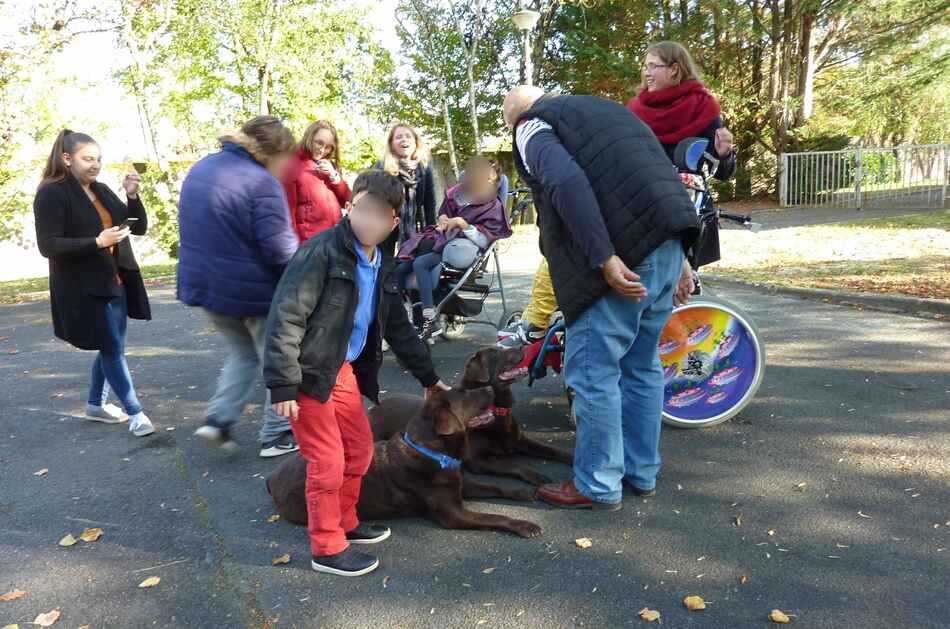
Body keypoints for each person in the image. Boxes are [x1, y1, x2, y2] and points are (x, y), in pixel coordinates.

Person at [502, 85, 699, 510]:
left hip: (621, 256)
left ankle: (597, 483)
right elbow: (660, 175)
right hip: (668, 242)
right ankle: (641, 472)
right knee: (642, 365)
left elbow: (564, 180)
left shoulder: (531, 125)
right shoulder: (610, 113)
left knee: (594, 373)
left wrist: (603, 257)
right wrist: (681, 253)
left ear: (514, 117)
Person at [263, 169, 450, 577]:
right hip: (309, 373)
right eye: (361, 209)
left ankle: (346, 521)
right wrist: (282, 384)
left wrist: (428, 376)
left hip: (342, 369)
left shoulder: (381, 259)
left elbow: (397, 324)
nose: (368, 220)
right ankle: (327, 546)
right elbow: (286, 316)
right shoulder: (321, 252)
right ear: (350, 207)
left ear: (393, 222)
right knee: (327, 460)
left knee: (360, 450)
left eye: (379, 214)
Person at [499, 40, 735, 349]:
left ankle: (537, 324)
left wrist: (725, 155)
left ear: (675, 69)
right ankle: (540, 319)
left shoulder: (703, 110)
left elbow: (567, 181)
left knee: (601, 360)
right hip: (654, 217)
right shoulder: (632, 110)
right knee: (642, 354)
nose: (647, 73)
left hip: (676, 207)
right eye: (645, 66)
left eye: (654, 66)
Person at [177, 116, 300, 458]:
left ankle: (219, 420)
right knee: (280, 360)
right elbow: (279, 248)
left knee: (243, 354)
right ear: (274, 152)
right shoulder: (261, 182)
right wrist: (307, 276)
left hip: (206, 287)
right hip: (252, 291)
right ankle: (277, 434)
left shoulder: (202, 168)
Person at [33, 129, 155, 437]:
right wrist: (96, 242)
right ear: (66, 158)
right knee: (112, 348)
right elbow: (48, 245)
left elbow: (136, 227)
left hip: (117, 281)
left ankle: (94, 405)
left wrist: (131, 196)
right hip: (84, 286)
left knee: (112, 347)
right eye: (87, 159)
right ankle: (136, 413)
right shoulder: (52, 192)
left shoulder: (100, 190)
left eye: (98, 159)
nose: (95, 165)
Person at [396, 156, 512, 340]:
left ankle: (429, 320)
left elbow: (485, 240)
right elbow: (444, 212)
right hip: (442, 240)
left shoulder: (493, 205)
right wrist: (443, 218)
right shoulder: (457, 194)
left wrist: (463, 224)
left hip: (462, 248)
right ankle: (401, 319)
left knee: (419, 263)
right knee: (401, 268)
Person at [283, 120, 351, 242]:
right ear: (309, 138)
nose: (323, 150)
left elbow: (347, 200)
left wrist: (334, 176)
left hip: (334, 241)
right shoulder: (292, 164)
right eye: (319, 143)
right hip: (310, 245)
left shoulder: (328, 166)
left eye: (329, 146)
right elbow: (288, 212)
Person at [374, 123, 436, 256]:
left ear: (415, 142)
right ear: (391, 144)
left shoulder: (424, 168)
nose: (404, 140)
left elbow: (429, 202)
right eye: (399, 137)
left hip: (413, 224)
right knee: (384, 265)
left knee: (411, 266)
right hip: (386, 224)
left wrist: (432, 230)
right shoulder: (382, 167)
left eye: (408, 136)